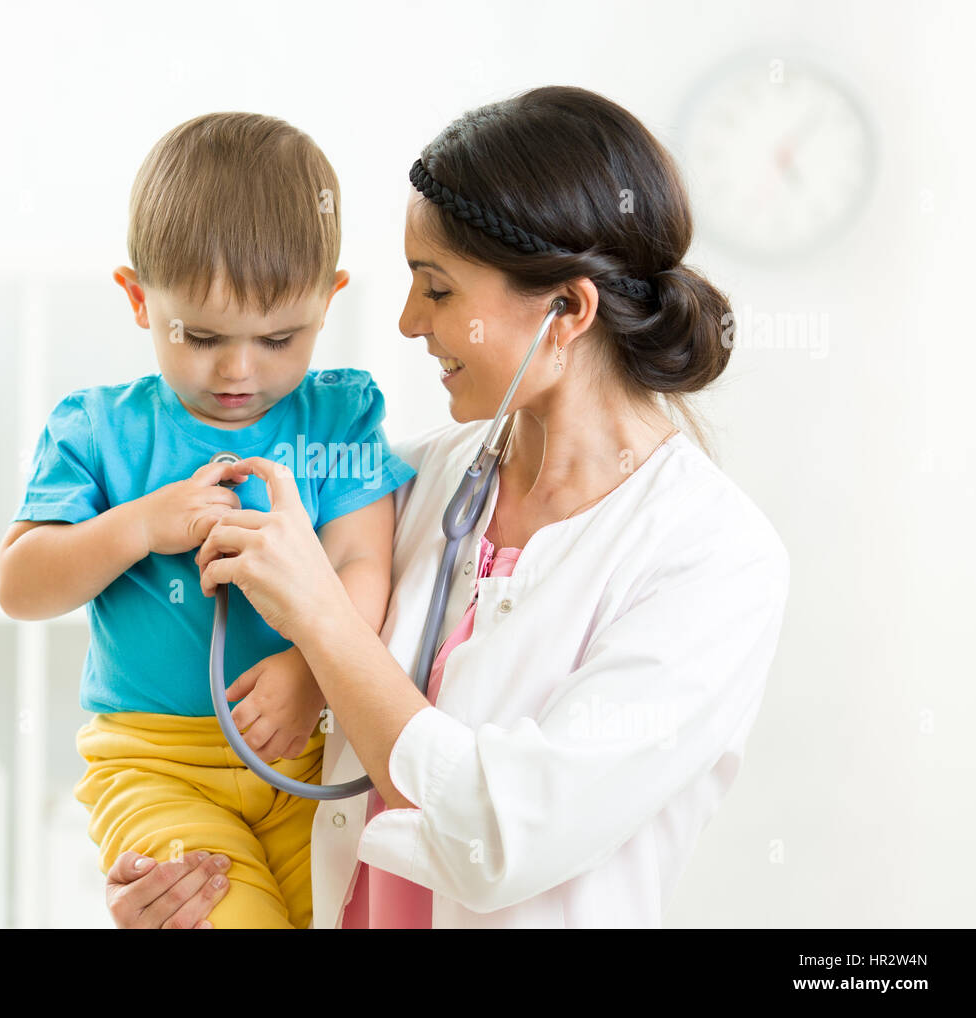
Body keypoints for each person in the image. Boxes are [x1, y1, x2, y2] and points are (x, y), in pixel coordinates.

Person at [103, 85, 791, 929]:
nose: (404, 321)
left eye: (436, 290)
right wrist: (184, 879)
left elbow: (504, 839)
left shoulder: (710, 556)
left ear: (567, 310)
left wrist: (322, 620)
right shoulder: (414, 482)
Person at [0, 112, 416, 929]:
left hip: (307, 746)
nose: (237, 370)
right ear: (137, 299)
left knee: (341, 914)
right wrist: (138, 527)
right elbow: (20, 587)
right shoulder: (95, 431)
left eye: (278, 337)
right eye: (201, 335)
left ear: (329, 302)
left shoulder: (340, 418)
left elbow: (365, 566)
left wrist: (307, 671)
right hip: (156, 766)